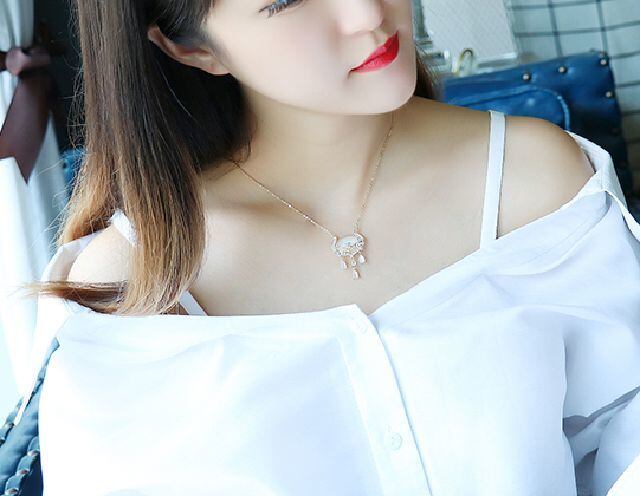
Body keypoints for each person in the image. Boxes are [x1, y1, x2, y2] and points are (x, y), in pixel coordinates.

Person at [9, 0, 640, 494]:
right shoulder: (135, 288)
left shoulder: (534, 179)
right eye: (286, 0)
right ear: (190, 46)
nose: (367, 14)